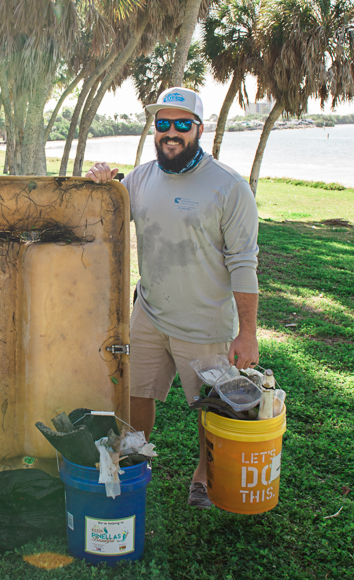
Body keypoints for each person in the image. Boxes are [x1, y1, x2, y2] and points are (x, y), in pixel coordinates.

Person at [85, 87, 260, 510]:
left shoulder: (229, 187)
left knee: (211, 409)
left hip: (204, 324)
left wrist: (247, 333)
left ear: (200, 129)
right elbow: (101, 217)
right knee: (137, 393)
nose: (172, 133)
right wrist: (103, 184)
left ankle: (203, 475)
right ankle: (135, 457)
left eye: (183, 124)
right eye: (164, 124)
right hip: (148, 313)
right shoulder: (141, 179)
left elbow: (243, 263)